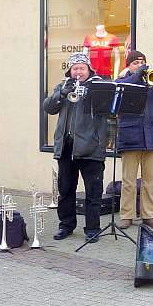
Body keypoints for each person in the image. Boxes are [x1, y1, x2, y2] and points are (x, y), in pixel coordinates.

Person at [43, 52, 108, 242]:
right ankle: (66, 226)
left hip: (91, 148)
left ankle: (92, 229)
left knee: (93, 192)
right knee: (66, 190)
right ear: (70, 71)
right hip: (67, 148)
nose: (78, 72)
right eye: (75, 68)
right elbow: (48, 108)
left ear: (89, 70)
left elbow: (108, 110)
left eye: (82, 68)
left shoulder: (98, 86)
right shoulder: (62, 86)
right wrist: (61, 94)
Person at [116, 50, 153, 229]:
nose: (140, 65)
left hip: (152, 137)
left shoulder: (152, 81)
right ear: (128, 65)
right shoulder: (123, 81)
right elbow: (121, 89)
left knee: (150, 180)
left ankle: (149, 214)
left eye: (142, 62)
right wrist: (137, 75)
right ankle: (126, 215)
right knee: (128, 180)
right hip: (130, 137)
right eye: (135, 63)